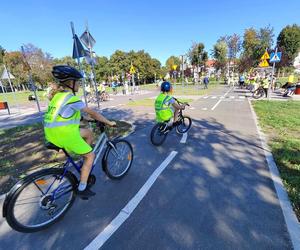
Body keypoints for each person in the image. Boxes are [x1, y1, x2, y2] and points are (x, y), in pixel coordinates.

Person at [44, 65, 116, 199]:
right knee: (91, 156)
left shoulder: (58, 97)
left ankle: (84, 163)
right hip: (64, 135)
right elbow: (93, 112)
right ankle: (82, 187)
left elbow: (64, 114)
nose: (79, 84)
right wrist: (108, 122)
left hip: (53, 133)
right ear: (71, 83)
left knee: (88, 133)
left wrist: (85, 119)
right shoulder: (71, 99)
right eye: (78, 82)